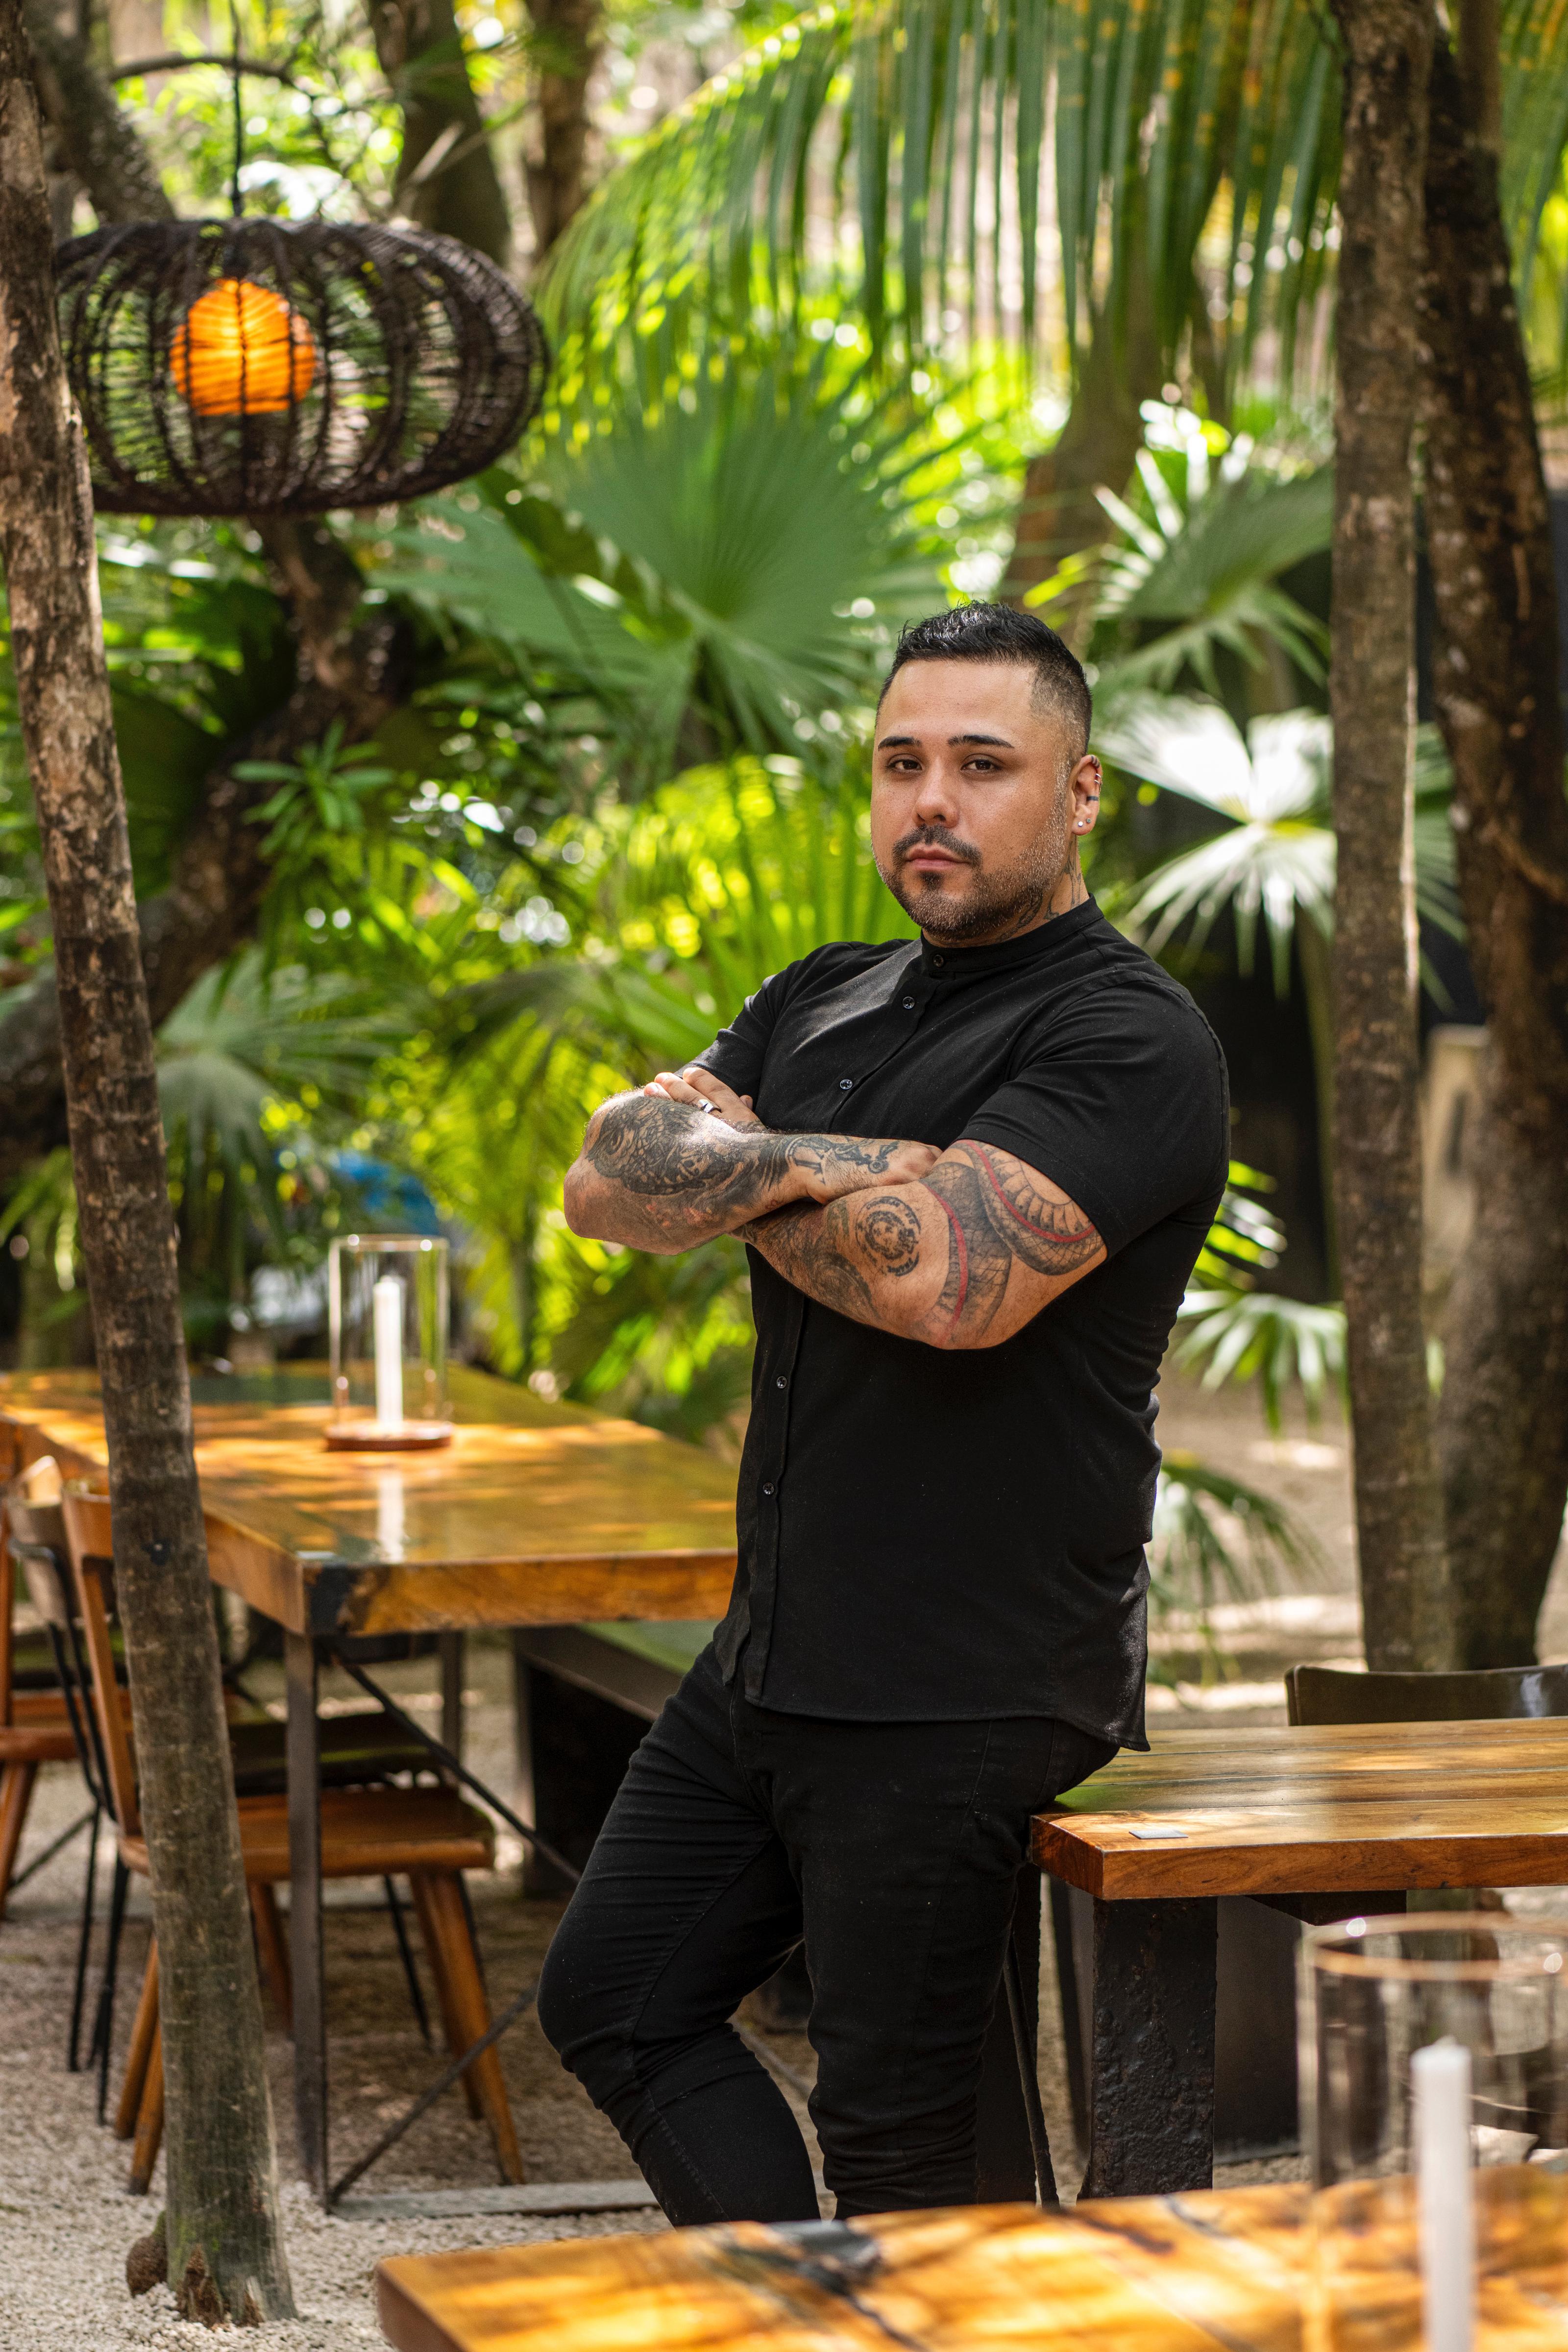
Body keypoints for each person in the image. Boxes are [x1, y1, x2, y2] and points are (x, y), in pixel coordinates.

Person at [537, 600, 1229, 2224]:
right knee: (616, 1999)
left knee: (909, 2148)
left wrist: (739, 1167)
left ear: (1078, 794)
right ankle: (806, 2326)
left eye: (983, 765)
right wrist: (860, 1175)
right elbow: (602, 1186)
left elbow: (951, 1289)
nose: (933, 800)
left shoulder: (1128, 1035)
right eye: (902, 762)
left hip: (961, 1676)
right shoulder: (824, 992)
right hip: (774, 1647)